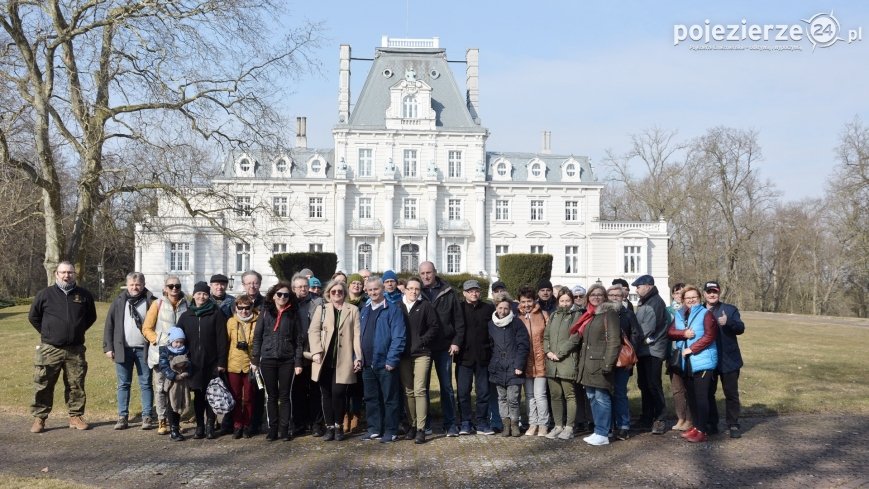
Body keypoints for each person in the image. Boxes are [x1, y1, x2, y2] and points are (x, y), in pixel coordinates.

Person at [29, 261, 97, 433]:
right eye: (63, 272)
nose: (67, 275)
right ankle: (40, 418)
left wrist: (76, 331)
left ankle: (75, 416)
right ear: (56, 274)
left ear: (75, 274)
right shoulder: (45, 294)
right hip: (50, 349)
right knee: (43, 384)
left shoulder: (84, 295)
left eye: (70, 272)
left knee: (76, 385)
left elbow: (90, 318)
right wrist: (49, 333)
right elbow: (33, 317)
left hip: (75, 350)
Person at [309, 280, 362, 442]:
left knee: (339, 393)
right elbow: (313, 330)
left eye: (340, 291)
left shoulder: (352, 310)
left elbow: (356, 335)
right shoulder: (322, 309)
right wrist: (316, 350)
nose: (337, 294)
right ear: (328, 293)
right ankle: (330, 427)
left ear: (345, 293)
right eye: (334, 291)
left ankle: (339, 425)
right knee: (325, 394)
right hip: (324, 358)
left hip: (344, 358)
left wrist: (358, 356)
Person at [103, 272, 157, 430]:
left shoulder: (151, 301)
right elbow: (109, 325)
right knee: (123, 384)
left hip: (144, 350)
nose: (135, 287)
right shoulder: (119, 301)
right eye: (132, 284)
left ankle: (147, 416)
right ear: (127, 285)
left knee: (146, 383)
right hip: (123, 349)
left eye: (138, 284)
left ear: (143, 284)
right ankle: (122, 417)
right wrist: (108, 347)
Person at [252, 281, 305, 441]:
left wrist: (298, 362)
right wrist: (255, 358)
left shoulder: (293, 313)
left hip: (287, 359)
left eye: (286, 295)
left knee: (285, 396)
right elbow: (257, 336)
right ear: (273, 296)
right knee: (271, 396)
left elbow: (298, 340)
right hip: (268, 358)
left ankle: (284, 429)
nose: (282, 297)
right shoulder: (266, 312)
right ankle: (272, 429)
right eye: (279, 294)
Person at [176, 281, 228, 440]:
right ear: (194, 295)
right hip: (194, 363)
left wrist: (221, 363)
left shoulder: (216, 313)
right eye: (199, 293)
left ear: (208, 295)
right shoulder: (186, 316)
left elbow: (222, 340)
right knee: (198, 396)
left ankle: (210, 425)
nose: (202, 297)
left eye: (205, 294)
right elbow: (178, 338)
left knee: (211, 395)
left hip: (212, 362)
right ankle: (200, 426)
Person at [418, 261, 464, 437]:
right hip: (424, 347)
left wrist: (456, 341)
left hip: (445, 347)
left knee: (446, 387)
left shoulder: (449, 292)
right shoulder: (417, 292)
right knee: (423, 388)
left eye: (428, 272)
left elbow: (458, 320)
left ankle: (450, 424)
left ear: (435, 272)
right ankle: (426, 423)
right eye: (422, 273)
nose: (425, 276)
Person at [359, 276, 406, 443]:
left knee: (390, 398)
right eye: (370, 290)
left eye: (376, 289)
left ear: (383, 289)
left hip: (385, 362)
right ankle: (374, 429)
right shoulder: (364, 310)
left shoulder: (393, 310)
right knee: (371, 398)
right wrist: (358, 357)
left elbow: (398, 337)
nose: (373, 292)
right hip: (367, 362)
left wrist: (392, 359)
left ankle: (391, 430)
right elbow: (359, 336)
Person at [669, 285, 718, 443]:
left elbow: (710, 336)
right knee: (691, 397)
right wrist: (683, 333)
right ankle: (696, 426)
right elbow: (669, 332)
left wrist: (691, 349)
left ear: (699, 298)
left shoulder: (706, 314)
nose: (691, 300)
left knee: (701, 397)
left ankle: (702, 430)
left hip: (703, 361)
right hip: (686, 362)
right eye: (687, 298)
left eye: (694, 297)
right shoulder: (680, 314)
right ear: (682, 300)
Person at [574, 284, 620, 446]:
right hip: (588, 364)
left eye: (599, 294)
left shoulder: (609, 313)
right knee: (592, 396)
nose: (596, 297)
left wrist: (608, 363)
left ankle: (603, 432)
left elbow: (614, 340)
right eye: (593, 294)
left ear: (604, 297)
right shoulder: (591, 314)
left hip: (600, 363)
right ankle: (598, 430)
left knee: (601, 397)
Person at [142, 275, 188, 435]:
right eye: (171, 286)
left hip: (179, 357)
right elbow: (146, 328)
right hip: (160, 354)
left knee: (177, 389)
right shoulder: (157, 304)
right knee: (161, 389)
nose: (174, 289)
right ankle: (162, 420)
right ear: (165, 288)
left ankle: (175, 420)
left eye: (177, 286)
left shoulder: (186, 304)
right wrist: (160, 341)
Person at [398, 276, 439, 443]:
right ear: (405, 289)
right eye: (411, 288)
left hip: (422, 353)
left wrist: (421, 341)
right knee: (408, 391)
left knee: (420, 389)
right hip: (403, 355)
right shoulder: (397, 306)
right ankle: (412, 424)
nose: (414, 291)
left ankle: (421, 428)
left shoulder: (425, 306)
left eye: (417, 289)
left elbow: (434, 327)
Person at [704, 280, 746, 438]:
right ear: (704, 294)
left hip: (729, 359)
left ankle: (733, 424)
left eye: (715, 291)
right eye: (709, 292)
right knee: (708, 393)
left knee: (731, 393)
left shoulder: (729, 309)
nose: (712, 294)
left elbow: (740, 328)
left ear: (719, 292)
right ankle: (711, 423)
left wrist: (728, 322)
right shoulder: (699, 310)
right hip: (708, 359)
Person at [455, 279, 495, 436]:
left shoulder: (488, 308)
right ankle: (465, 422)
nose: (474, 293)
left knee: (483, 392)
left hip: (483, 356)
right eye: (470, 291)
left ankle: (482, 422)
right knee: (463, 392)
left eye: (476, 291)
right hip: (464, 357)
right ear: (464, 293)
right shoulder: (458, 308)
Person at [631, 274, 669, 435]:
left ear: (648, 286)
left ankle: (660, 418)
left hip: (653, 351)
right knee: (644, 384)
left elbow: (645, 329)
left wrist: (632, 344)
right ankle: (646, 417)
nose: (636, 290)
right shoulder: (646, 301)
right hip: (644, 350)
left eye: (638, 287)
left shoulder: (655, 303)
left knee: (653, 384)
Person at [488, 296, 530, 438]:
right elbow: (489, 345)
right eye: (500, 308)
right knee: (502, 398)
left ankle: (514, 424)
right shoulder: (491, 325)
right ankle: (505, 425)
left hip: (514, 367)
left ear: (510, 309)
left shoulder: (517, 323)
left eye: (506, 308)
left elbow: (523, 345)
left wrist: (519, 365)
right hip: (498, 367)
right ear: (496, 308)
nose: (503, 311)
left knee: (513, 398)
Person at [543, 287, 581, 440]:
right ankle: (558, 426)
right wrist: (548, 351)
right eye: (562, 300)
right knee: (555, 395)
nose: (564, 303)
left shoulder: (577, 315)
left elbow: (575, 337)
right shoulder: (554, 315)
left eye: (567, 300)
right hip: (552, 362)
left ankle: (569, 427)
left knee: (569, 395)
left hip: (567, 361)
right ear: (558, 301)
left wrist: (560, 353)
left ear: (572, 301)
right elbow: (546, 336)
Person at [292, 273, 325, 437]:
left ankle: (316, 423)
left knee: (315, 390)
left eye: (305, 286)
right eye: (299, 287)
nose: (303, 289)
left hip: (314, 351)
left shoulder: (318, 302)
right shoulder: (290, 303)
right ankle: (299, 423)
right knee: (297, 391)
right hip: (296, 353)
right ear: (293, 288)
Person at [608, 285, 642, 440]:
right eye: (612, 295)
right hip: (606, 360)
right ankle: (608, 425)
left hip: (623, 360)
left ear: (623, 297)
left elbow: (636, 335)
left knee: (620, 392)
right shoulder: (603, 313)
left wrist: (631, 358)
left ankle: (623, 425)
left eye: (618, 295)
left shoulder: (628, 314)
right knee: (606, 393)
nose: (615, 297)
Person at [517, 285, 550, 437]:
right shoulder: (517, 318)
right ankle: (532, 423)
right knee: (529, 395)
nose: (526, 304)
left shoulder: (543, 315)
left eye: (529, 301)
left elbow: (548, 337)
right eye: (523, 301)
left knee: (540, 395)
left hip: (541, 360)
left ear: (534, 300)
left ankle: (543, 424)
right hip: (526, 363)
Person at [226, 295, 258, 439]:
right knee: (236, 396)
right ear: (236, 308)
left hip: (251, 365)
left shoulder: (258, 321)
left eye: (247, 308)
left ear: (252, 307)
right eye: (241, 308)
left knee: (250, 397)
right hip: (234, 364)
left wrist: (257, 361)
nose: (244, 311)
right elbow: (226, 342)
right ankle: (237, 424)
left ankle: (248, 424)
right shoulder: (231, 322)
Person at [158, 327, 191, 441]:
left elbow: (190, 364)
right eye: (176, 342)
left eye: (181, 342)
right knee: (172, 405)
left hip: (183, 383)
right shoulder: (165, 351)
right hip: (171, 383)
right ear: (171, 341)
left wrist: (187, 372)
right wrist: (173, 376)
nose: (178, 344)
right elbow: (163, 366)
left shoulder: (186, 351)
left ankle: (176, 427)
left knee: (180, 404)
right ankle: (173, 430)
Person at [667, 282, 692, 432]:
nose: (678, 296)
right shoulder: (667, 310)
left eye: (681, 293)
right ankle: (680, 417)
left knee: (689, 388)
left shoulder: (690, 311)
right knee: (677, 389)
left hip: (688, 353)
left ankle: (690, 418)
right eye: (676, 293)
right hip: (673, 354)